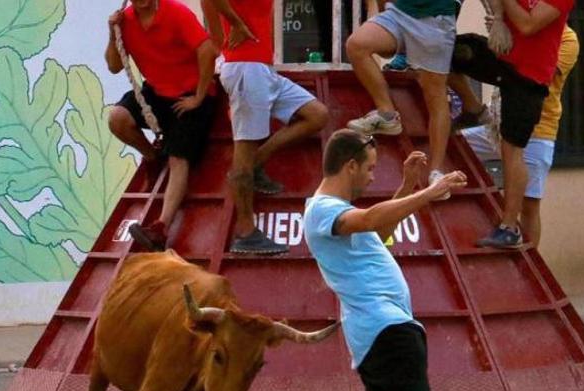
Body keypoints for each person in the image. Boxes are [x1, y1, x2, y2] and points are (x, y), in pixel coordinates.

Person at [304, 129, 467, 391]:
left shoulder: (330, 211)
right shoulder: (324, 211)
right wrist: (428, 193)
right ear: (349, 166)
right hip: (384, 324)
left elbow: (380, 229)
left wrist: (408, 186)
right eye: (370, 169)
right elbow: (369, 220)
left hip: (374, 327)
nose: (372, 176)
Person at [204, 0, 330, 254]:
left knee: (318, 114)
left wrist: (224, 44)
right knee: (244, 149)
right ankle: (246, 231)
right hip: (246, 68)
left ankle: (258, 162)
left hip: (261, 68)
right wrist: (235, 28)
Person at [448, 0, 574, 248]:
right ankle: (473, 107)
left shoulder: (567, 32)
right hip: (506, 65)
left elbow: (528, 25)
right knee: (448, 51)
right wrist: (497, 18)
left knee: (512, 151)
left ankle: (509, 228)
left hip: (530, 80)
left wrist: (503, 14)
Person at [105, 0, 219, 251]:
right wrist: (112, 34)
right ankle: (152, 155)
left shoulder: (176, 12)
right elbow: (113, 66)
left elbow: (207, 50)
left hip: (188, 94)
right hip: (156, 92)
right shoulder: (124, 21)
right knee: (116, 118)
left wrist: (199, 96)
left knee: (178, 158)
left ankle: (161, 227)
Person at [345, 0, 461, 197]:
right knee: (357, 45)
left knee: (435, 96)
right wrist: (382, 16)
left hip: (435, 20)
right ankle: (387, 114)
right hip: (398, 13)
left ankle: (437, 172)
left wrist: (498, 20)